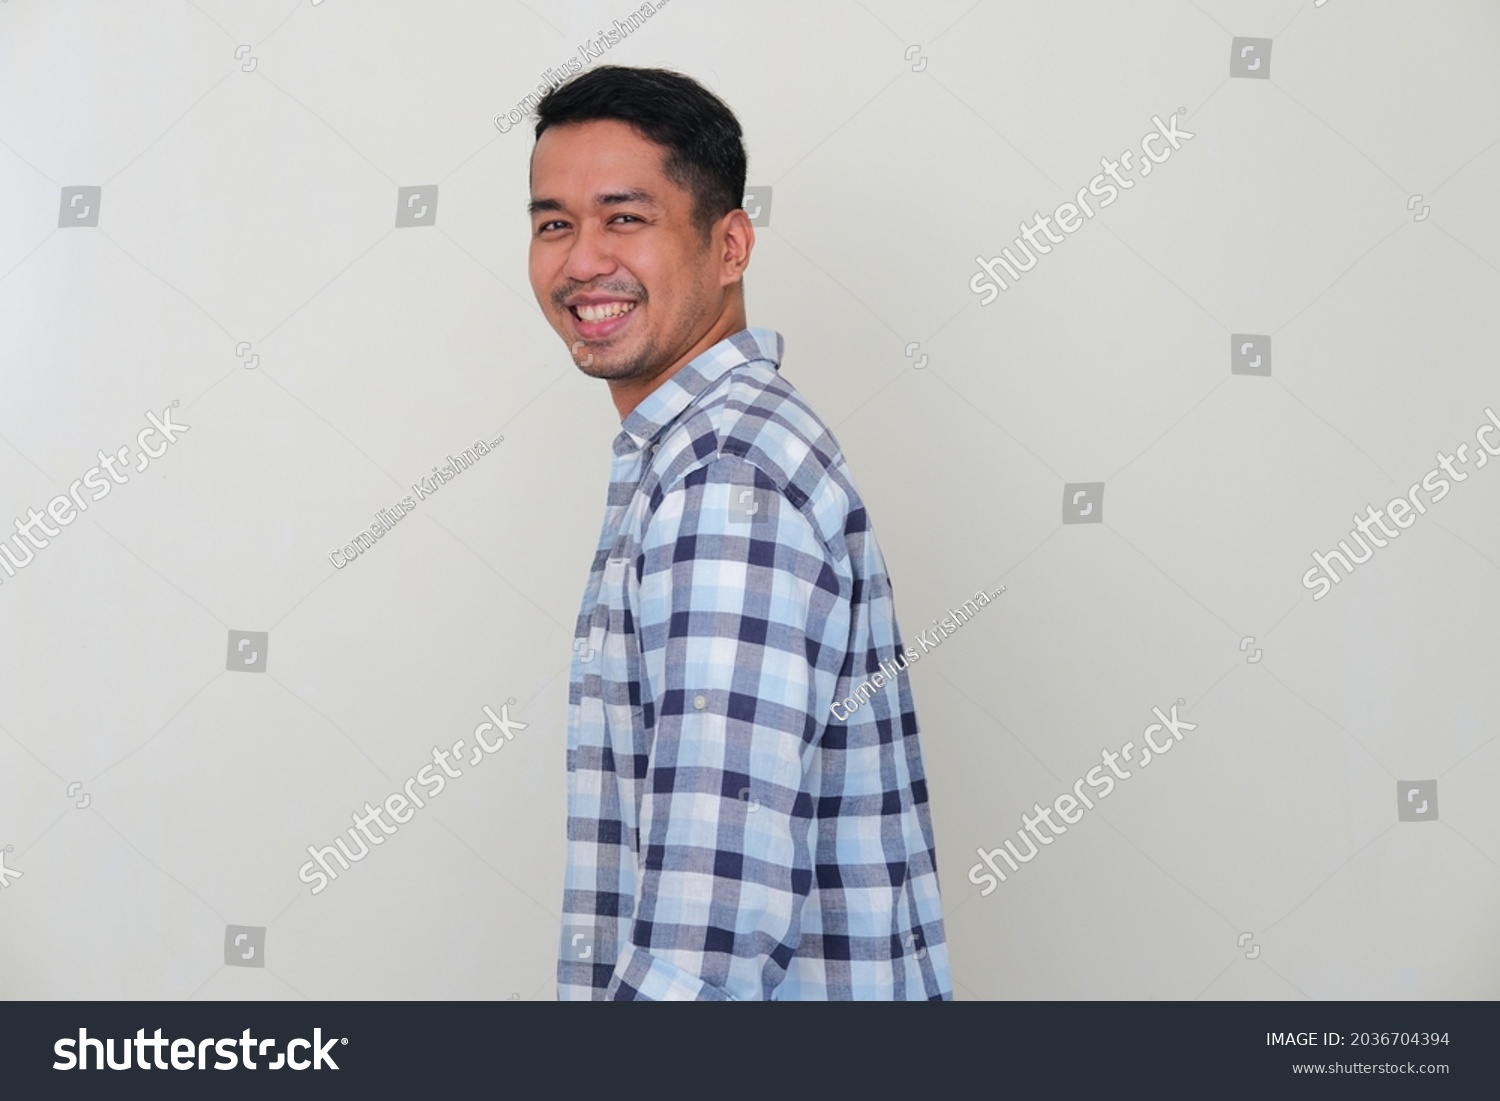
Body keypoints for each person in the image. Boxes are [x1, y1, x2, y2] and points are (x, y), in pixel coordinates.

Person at [527, 65, 952, 1000]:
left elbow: (710, 924)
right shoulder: (707, 449)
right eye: (555, 222)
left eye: (624, 217)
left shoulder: (726, 478)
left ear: (730, 245)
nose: (581, 259)